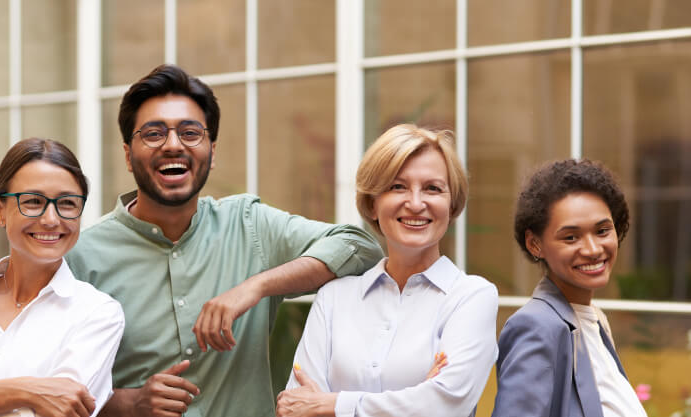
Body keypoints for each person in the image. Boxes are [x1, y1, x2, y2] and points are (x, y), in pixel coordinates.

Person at [65, 64, 383, 417]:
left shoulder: (250, 225)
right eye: (154, 134)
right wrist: (129, 403)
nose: (173, 145)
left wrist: (255, 286)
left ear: (212, 153)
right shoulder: (81, 256)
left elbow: (360, 246)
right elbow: (53, 388)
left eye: (190, 132)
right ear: (127, 154)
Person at [275, 124, 499, 417]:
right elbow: (296, 409)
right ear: (371, 204)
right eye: (397, 186)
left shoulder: (472, 298)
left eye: (433, 188)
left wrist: (331, 404)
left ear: (452, 203)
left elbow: (444, 406)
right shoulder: (333, 299)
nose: (416, 203)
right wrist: (415, 399)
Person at [492, 159, 647, 416]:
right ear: (534, 244)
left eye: (602, 230)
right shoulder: (537, 326)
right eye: (571, 237)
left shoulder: (594, 319)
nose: (593, 249)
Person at [0, 138, 124, 417]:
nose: (50, 219)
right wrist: (29, 391)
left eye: (67, 203)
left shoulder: (98, 314)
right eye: (33, 201)